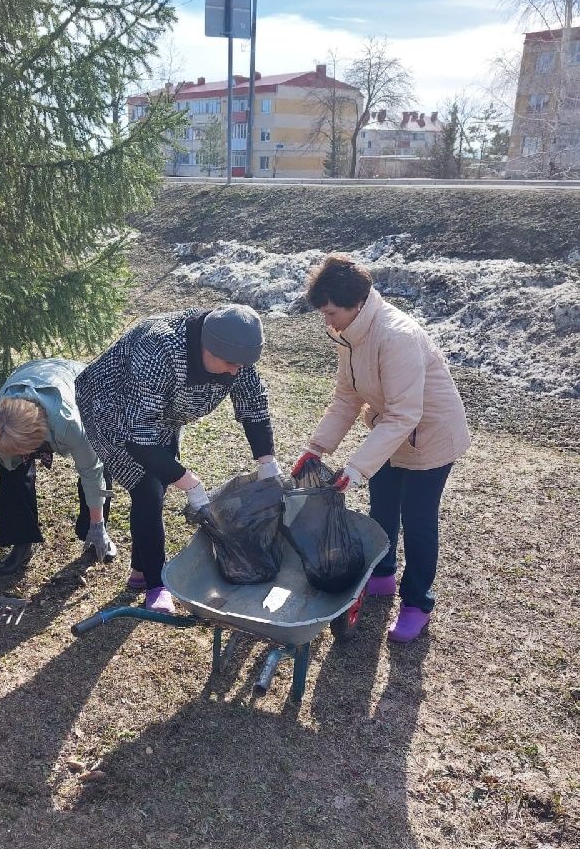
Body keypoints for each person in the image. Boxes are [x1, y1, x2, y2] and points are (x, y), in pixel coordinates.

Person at [293, 253, 470, 643]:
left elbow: (407, 414)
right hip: (390, 433)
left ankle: (417, 603)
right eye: (323, 313)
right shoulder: (349, 333)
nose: (327, 321)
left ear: (357, 303)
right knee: (382, 509)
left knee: (419, 520)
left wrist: (356, 468)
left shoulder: (395, 335)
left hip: (430, 435)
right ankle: (383, 574)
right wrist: (317, 448)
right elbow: (346, 397)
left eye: (331, 312)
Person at [75, 304, 281, 614]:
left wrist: (268, 465)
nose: (236, 371)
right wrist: (191, 484)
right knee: (147, 487)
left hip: (162, 415)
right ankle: (157, 584)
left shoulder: (234, 352)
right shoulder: (159, 348)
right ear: (205, 347)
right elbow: (138, 434)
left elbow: (253, 402)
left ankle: (140, 572)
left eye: (242, 365)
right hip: (111, 410)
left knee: (158, 483)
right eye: (229, 364)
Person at [0, 359, 116, 584]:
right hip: (25, 381)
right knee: (11, 469)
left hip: (75, 385)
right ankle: (22, 540)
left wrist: (97, 524)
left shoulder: (68, 423)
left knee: (99, 460)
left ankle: (94, 532)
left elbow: (91, 471)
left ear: (40, 440)